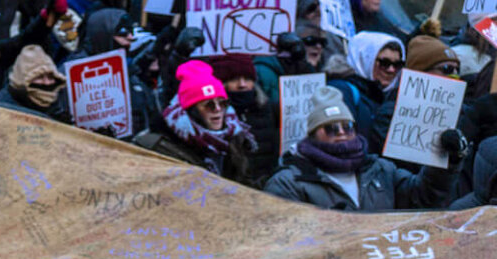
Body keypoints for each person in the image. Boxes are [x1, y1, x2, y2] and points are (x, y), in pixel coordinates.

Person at [264, 92, 456, 210]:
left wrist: (446, 160)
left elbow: (422, 197)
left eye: (347, 126)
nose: (341, 133)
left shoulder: (381, 169)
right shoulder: (289, 182)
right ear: (313, 134)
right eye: (331, 128)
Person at [134, 61, 262, 184]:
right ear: (191, 110)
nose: (217, 109)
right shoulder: (159, 146)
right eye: (209, 105)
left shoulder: (235, 136)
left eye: (223, 103)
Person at [329, 30, 405, 152]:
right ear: (364, 59)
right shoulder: (341, 91)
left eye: (397, 64)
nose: (391, 70)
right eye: (384, 63)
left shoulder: (387, 97)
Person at [0, 46, 71, 122]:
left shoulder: (61, 103)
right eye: (39, 77)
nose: (47, 82)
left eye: (50, 77)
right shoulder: (0, 110)